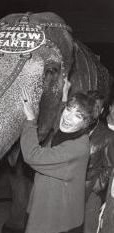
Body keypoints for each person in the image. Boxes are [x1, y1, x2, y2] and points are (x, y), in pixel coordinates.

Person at [20, 87, 96, 233]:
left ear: (85, 124)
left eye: (78, 116)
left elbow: (32, 155)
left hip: (56, 220)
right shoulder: (70, 132)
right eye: (69, 110)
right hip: (46, 206)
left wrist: (30, 120)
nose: (68, 117)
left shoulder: (76, 148)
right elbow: (58, 124)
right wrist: (64, 95)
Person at [84, 91, 114, 233]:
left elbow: (109, 166)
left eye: (97, 107)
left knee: (88, 227)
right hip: (68, 188)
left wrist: (97, 186)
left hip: (91, 191)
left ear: (102, 110)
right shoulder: (74, 127)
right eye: (91, 105)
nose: (93, 110)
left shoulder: (107, 135)